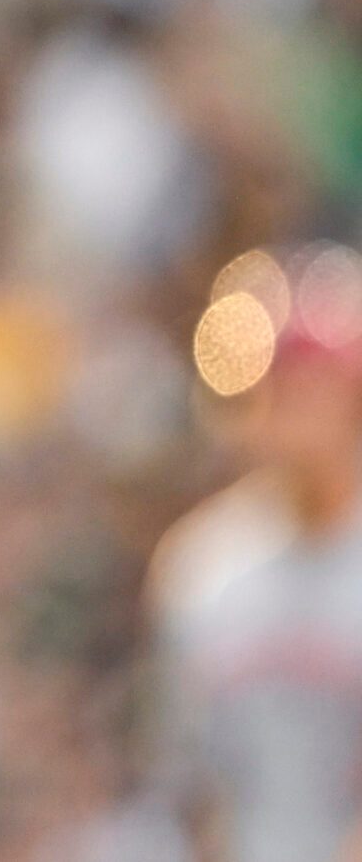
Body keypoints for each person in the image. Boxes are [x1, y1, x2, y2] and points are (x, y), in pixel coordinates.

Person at [150, 246, 362, 862]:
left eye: (311, 385)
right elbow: (190, 781)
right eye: (275, 386)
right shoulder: (204, 566)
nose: (291, 409)